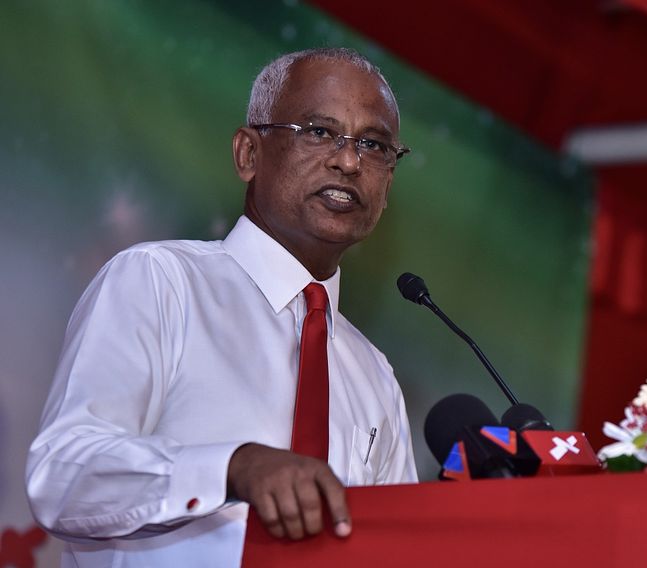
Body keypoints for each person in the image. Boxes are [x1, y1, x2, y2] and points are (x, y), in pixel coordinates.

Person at [25, 47, 418, 567]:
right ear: (248, 154)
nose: (349, 161)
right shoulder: (160, 282)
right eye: (320, 132)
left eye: (373, 145)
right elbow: (62, 476)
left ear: (388, 182)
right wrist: (231, 468)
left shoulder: (375, 378)